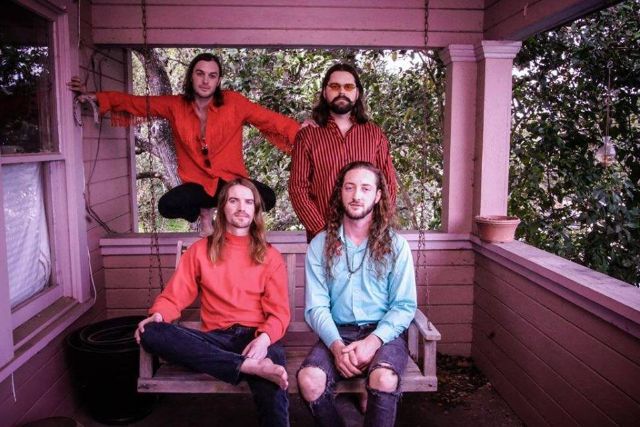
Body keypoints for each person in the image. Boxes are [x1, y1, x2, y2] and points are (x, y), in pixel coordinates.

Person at [69, 53, 302, 236]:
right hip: (198, 186)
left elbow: (270, 119)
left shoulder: (234, 103)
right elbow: (137, 103)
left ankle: (223, 218)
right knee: (167, 206)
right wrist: (97, 97)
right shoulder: (175, 105)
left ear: (218, 80)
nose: (205, 81)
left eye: (212, 76)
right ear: (191, 76)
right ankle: (204, 213)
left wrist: (303, 133)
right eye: (200, 74)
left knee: (267, 198)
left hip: (231, 182)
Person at [134, 178, 291, 427]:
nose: (242, 207)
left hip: (257, 337)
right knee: (151, 332)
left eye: (248, 202)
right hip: (215, 340)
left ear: (255, 210)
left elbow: (279, 314)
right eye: (234, 200)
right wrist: (159, 314)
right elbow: (174, 296)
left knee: (271, 386)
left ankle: (251, 365)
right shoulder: (200, 251)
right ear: (222, 207)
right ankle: (246, 366)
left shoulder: (270, 256)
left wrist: (264, 340)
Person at [296, 161, 416, 427]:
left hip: (383, 334)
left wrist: (373, 342)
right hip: (338, 333)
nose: (357, 195)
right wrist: (337, 347)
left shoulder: (397, 246)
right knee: (309, 380)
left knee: (384, 379)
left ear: (378, 195)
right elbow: (316, 307)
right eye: (349, 187)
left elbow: (404, 306)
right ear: (340, 193)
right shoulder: (320, 245)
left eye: (365, 188)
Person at [289, 63, 398, 242]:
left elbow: (388, 186)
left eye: (348, 87)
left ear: (357, 93)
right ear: (324, 92)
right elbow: (298, 189)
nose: (341, 92)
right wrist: (321, 232)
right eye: (334, 86)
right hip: (324, 239)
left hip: (368, 238)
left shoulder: (374, 135)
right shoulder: (308, 136)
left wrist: (377, 226)